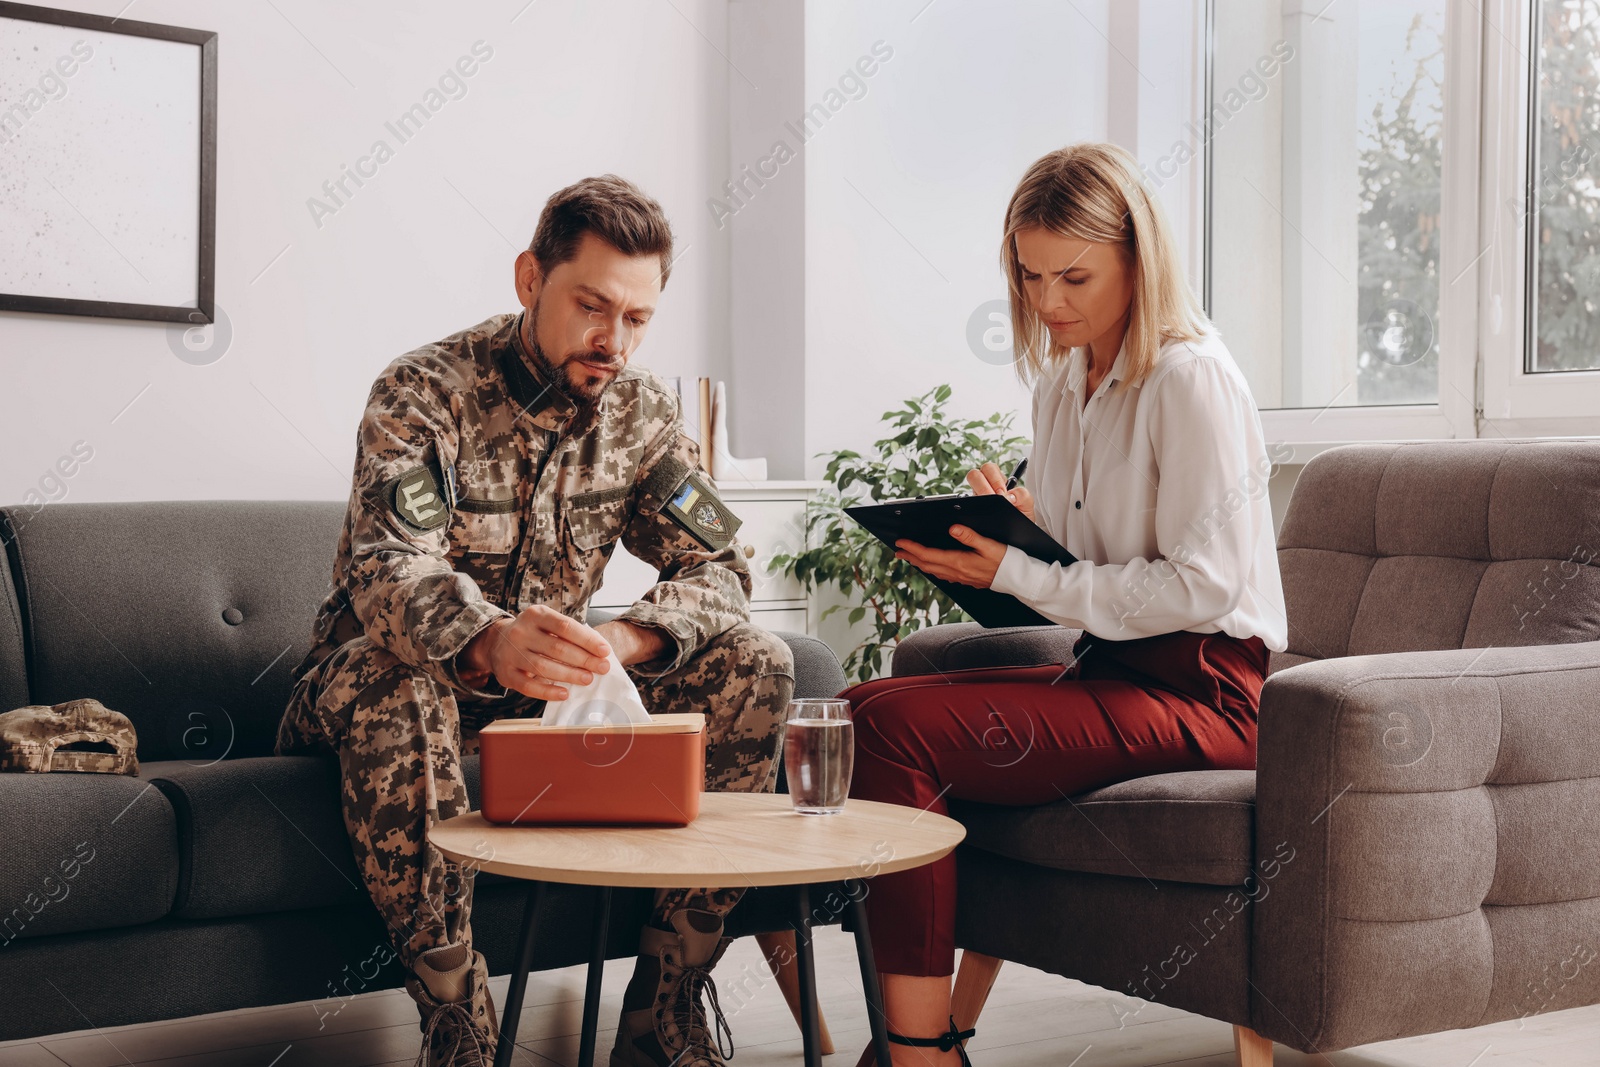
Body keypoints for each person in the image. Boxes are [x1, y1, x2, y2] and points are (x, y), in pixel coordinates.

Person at [273, 174, 793, 1067]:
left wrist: (630, 639)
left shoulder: (644, 415)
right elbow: (386, 565)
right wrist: (487, 638)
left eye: (637, 319)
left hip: (541, 703)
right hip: (374, 684)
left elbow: (721, 565)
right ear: (529, 280)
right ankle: (459, 1018)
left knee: (760, 661)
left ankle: (664, 1003)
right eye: (593, 307)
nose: (614, 340)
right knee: (397, 678)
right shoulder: (421, 390)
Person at [841, 142, 1288, 1065]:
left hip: (1207, 692)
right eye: (1031, 274)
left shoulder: (1191, 378)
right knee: (860, 710)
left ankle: (917, 1049)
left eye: (1075, 275)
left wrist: (1019, 572)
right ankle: (923, 1035)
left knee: (891, 730)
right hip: (1113, 668)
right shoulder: (1063, 382)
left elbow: (1204, 585)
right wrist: (1010, 535)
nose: (1049, 301)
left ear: (1139, 258)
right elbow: (1086, 564)